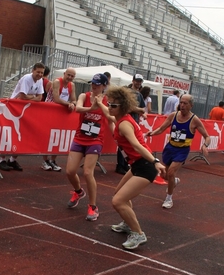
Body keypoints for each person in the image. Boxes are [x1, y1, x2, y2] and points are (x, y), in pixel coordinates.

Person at [96, 86, 166, 250]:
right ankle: (128, 223)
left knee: (118, 201)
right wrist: (100, 103)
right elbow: (107, 113)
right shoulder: (119, 117)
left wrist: (155, 161)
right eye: (110, 104)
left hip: (146, 165)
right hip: (136, 165)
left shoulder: (124, 124)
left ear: (123, 107)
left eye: (114, 105)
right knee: (120, 197)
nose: (110, 107)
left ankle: (138, 233)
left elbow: (136, 145)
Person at [147, 94, 210, 209]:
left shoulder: (194, 120)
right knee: (165, 175)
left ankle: (169, 198)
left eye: (185, 103)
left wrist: (205, 145)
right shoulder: (173, 116)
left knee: (170, 172)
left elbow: (207, 136)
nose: (182, 105)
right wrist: (151, 133)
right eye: (181, 102)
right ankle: (174, 181)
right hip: (170, 148)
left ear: (191, 105)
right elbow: (161, 129)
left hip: (182, 150)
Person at [66, 73, 111, 221]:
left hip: (95, 140)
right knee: (70, 171)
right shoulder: (84, 96)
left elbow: (110, 117)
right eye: (93, 83)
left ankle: (93, 206)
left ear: (104, 86)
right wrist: (91, 108)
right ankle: (78, 191)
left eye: (98, 84)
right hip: (80, 137)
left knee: (87, 172)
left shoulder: (107, 100)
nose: (94, 86)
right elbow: (78, 109)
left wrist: (101, 105)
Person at [0, 62, 45, 172]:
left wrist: (30, 97)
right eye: (38, 72)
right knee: (9, 134)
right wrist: (33, 97)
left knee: (22, 134)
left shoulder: (40, 80)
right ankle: (2, 160)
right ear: (33, 70)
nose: (40, 74)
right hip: (13, 109)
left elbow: (40, 97)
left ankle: (12, 159)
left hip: (26, 110)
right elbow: (22, 96)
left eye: (42, 73)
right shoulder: (27, 79)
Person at [41, 67, 77, 172]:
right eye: (68, 75)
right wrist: (69, 104)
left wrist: (73, 103)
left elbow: (74, 99)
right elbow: (56, 99)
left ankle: (52, 160)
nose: (69, 77)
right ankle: (45, 160)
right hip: (50, 111)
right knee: (48, 136)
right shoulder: (57, 82)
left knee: (58, 136)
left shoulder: (72, 85)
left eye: (72, 76)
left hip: (62, 113)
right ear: (64, 74)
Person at [116, 73, 146, 175]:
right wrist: (138, 110)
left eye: (140, 81)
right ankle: (120, 165)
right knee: (124, 144)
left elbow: (143, 109)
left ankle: (126, 164)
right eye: (137, 81)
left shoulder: (140, 95)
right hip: (125, 120)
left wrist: (139, 110)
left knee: (130, 145)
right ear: (133, 81)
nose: (138, 83)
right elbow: (128, 107)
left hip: (134, 122)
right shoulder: (127, 92)